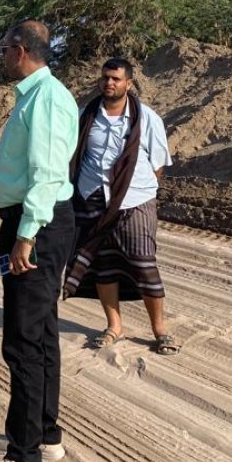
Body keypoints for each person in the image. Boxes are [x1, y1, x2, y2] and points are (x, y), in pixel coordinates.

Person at [0, 21, 79, 462]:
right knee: (42, 334)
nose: (0, 55)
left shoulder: (48, 97)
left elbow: (47, 173)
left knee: (22, 342)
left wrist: (25, 236)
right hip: (33, 222)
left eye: (3, 48)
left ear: (18, 51)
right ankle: (45, 434)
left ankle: (23, 460)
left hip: (36, 224)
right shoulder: (34, 94)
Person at [63, 58, 178, 355]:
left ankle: (160, 329)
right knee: (103, 265)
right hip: (91, 198)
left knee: (144, 263)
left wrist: (133, 187)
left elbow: (158, 165)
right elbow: (72, 155)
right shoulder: (84, 115)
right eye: (105, 78)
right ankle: (114, 325)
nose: (109, 83)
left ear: (129, 83)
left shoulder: (147, 118)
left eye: (116, 79)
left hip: (135, 200)